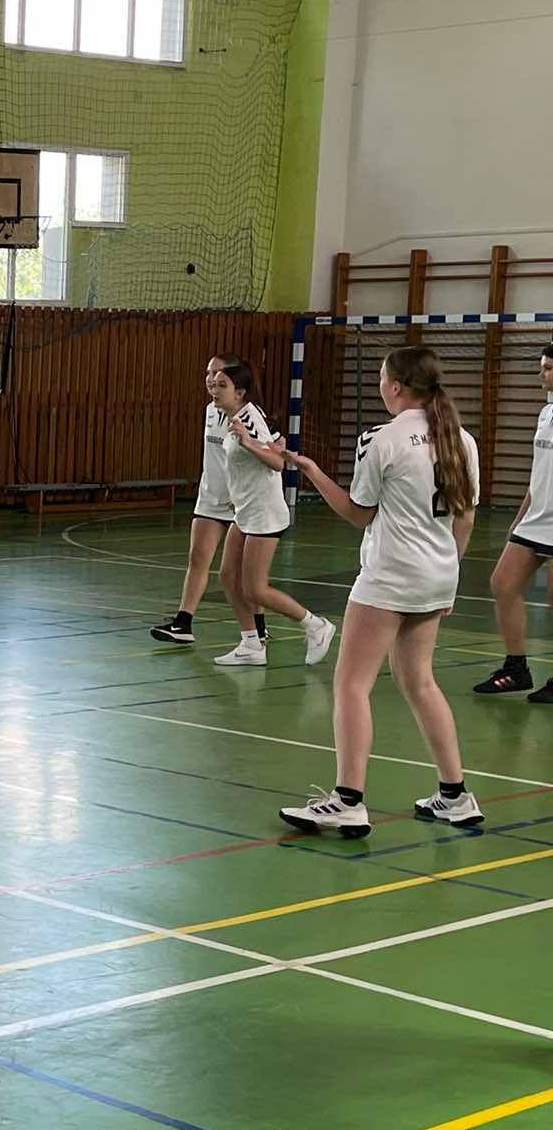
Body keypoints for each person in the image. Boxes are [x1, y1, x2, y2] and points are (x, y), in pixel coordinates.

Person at [261, 347, 483, 835]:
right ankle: (455, 795)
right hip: (436, 576)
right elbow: (465, 516)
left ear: (396, 387)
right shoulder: (462, 439)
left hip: (389, 576)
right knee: (419, 682)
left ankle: (348, 800)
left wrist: (311, 471)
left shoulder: (382, 439)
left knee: (351, 684)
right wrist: (449, 575)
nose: (380, 386)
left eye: (382, 379)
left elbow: (358, 513)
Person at [208, 356, 337, 668]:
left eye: (222, 385)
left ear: (240, 392)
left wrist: (249, 443)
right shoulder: (228, 415)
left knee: (255, 588)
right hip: (245, 510)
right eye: (213, 382)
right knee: (228, 575)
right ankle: (251, 643)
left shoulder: (249, 419)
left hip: (264, 513)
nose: (214, 388)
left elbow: (277, 462)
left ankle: (316, 625)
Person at [472, 342, 553, 701]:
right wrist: (519, 518)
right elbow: (540, 474)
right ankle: (516, 669)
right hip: (536, 519)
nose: (541, 373)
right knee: (503, 584)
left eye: (548, 367)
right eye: (542, 366)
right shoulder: (546, 413)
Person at [153, 360, 243, 645]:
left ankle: (258, 627)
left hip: (240, 503)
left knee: (240, 574)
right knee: (197, 559)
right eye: (207, 373)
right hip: (209, 499)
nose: (210, 379)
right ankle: (183, 623)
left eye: (217, 374)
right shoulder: (210, 410)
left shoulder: (247, 415)